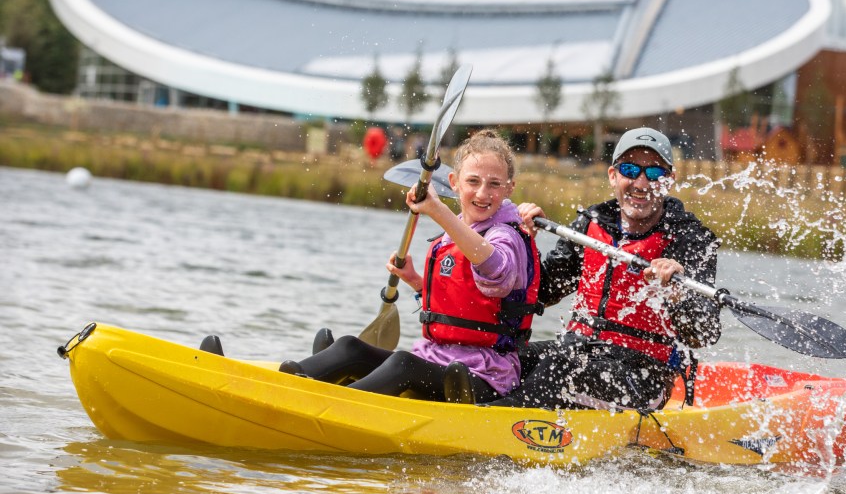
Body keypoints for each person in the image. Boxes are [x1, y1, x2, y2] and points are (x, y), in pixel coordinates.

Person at [278, 129, 541, 403]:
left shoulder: (505, 234)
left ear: (509, 188)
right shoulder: (459, 230)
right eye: (473, 181)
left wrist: (438, 211)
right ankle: (288, 383)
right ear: (454, 182)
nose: (482, 193)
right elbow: (464, 303)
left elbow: (497, 274)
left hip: (484, 376)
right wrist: (417, 281)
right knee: (350, 347)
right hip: (435, 358)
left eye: (494, 184)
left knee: (402, 364)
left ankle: (331, 405)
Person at [490, 127, 721, 411]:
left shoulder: (690, 240)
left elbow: (705, 333)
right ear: (613, 176)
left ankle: (493, 419)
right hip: (577, 350)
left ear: (669, 179)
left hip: (642, 375)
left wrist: (677, 293)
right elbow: (543, 291)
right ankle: (473, 405)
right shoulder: (591, 224)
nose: (640, 183)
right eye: (629, 169)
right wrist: (525, 241)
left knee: (563, 366)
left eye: (654, 173)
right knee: (505, 356)